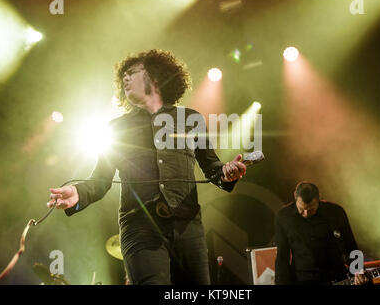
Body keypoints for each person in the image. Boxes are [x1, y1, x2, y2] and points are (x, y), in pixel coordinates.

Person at [47, 49, 247, 285]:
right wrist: (78, 192)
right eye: (123, 76)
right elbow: (101, 179)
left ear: (155, 76)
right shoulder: (117, 128)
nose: (125, 79)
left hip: (188, 225)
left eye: (132, 72)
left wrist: (228, 172)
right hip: (140, 226)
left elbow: (213, 168)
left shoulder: (190, 119)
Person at [274, 181, 370, 285]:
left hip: (336, 275)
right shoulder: (283, 217)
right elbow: (282, 256)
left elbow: (351, 244)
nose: (306, 213)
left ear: (319, 198)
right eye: (301, 209)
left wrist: (359, 270)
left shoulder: (335, 212)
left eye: (311, 209)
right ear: (295, 197)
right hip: (303, 278)